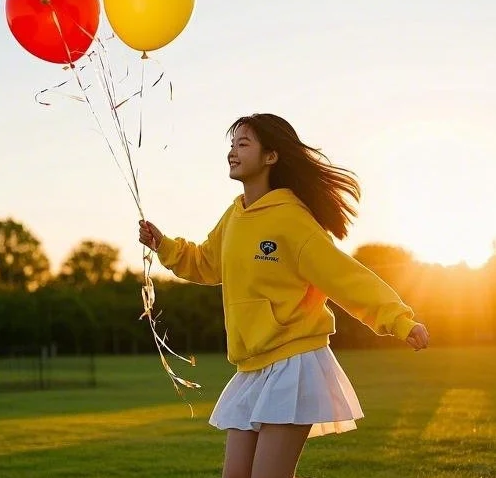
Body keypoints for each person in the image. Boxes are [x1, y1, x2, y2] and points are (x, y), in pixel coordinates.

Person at [139, 113, 429, 478]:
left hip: (294, 362)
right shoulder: (234, 216)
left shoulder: (293, 220)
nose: (232, 152)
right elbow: (206, 264)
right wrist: (163, 245)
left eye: (243, 144)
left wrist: (399, 319)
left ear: (271, 156)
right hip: (251, 366)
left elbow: (345, 277)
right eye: (231, 145)